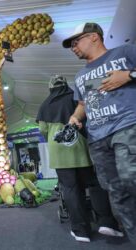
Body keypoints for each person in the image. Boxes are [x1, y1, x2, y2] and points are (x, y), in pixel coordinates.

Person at [62, 22, 136, 244]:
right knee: (117, 193)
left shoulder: (125, 52)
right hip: (97, 139)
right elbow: (84, 103)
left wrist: (130, 75)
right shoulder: (80, 76)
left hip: (127, 126)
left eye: (76, 42)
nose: (73, 47)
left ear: (94, 37)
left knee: (131, 178)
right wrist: (75, 117)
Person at [37, 75, 123, 242]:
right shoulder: (77, 98)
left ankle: (81, 230)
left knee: (70, 190)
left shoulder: (44, 105)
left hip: (60, 155)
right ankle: (107, 222)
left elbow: (43, 130)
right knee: (95, 184)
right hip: (81, 150)